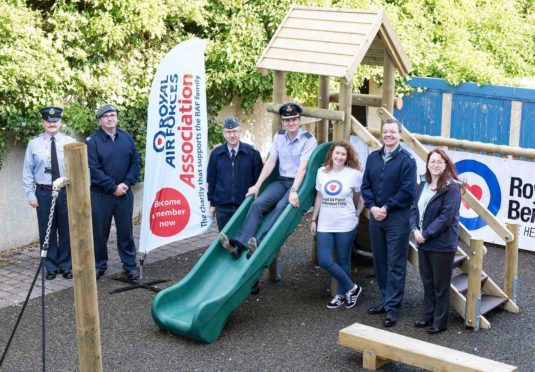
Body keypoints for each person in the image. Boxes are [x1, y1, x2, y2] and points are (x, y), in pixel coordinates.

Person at [219, 102, 318, 260]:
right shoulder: (279, 137)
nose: (291, 123)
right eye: (287, 120)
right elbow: (271, 162)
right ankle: (239, 245)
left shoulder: (308, 140)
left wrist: (294, 191)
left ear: (300, 120)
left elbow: (303, 168)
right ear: (283, 122)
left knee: (281, 206)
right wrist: (257, 185)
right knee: (257, 204)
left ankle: (260, 242)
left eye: (294, 119)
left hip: (298, 184)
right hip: (281, 180)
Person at [361, 118, 417, 327]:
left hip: (397, 219)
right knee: (380, 261)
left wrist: (386, 207)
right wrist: (373, 207)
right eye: (386, 132)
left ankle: (393, 308)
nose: (389, 135)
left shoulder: (407, 161)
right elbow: (365, 185)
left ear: (400, 135)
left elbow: (407, 191)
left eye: (393, 132)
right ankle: (385, 300)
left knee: (396, 264)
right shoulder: (373, 158)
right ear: (381, 133)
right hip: (376, 217)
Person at [410, 148, 462, 334]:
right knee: (428, 282)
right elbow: (414, 209)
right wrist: (415, 229)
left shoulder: (452, 188)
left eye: (440, 162)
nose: (436, 165)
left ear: (446, 164)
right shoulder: (422, 184)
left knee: (440, 285)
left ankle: (440, 322)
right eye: (433, 161)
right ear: (428, 163)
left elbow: (445, 217)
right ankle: (427, 316)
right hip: (422, 240)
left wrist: (426, 234)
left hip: (441, 243)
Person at [86, 104, 141, 280]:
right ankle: (99, 265)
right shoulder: (93, 142)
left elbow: (135, 163)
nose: (110, 118)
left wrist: (125, 183)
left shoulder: (126, 138)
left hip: (124, 194)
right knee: (100, 233)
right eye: (106, 116)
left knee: (126, 231)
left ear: (116, 117)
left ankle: (130, 266)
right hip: (101, 196)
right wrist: (113, 187)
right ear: (100, 120)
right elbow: (94, 170)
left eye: (112, 115)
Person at [22, 106, 76, 280]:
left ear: (60, 122)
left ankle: (66, 265)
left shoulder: (70, 142)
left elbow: (77, 169)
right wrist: (30, 194)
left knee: (66, 230)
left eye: (55, 121)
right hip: (43, 193)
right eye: (48, 121)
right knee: (47, 231)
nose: (52, 124)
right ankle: (50, 266)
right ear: (43, 122)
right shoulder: (34, 144)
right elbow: (27, 171)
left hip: (65, 192)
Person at [310, 140, 365, 309]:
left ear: (347, 157)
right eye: (337, 153)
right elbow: (319, 196)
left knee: (343, 259)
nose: (340, 157)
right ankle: (352, 288)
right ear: (332, 154)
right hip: (325, 223)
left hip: (345, 223)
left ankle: (341, 295)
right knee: (324, 260)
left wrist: (356, 215)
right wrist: (313, 219)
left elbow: (361, 198)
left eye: (343, 154)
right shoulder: (322, 172)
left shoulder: (354, 174)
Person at [207, 116, 263, 231]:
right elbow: (211, 181)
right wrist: (212, 204)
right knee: (225, 241)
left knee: (243, 240)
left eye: (234, 131)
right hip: (223, 209)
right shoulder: (216, 155)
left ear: (240, 132)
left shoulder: (252, 153)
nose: (232, 135)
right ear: (224, 133)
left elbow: (259, 180)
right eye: (228, 132)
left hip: (245, 207)